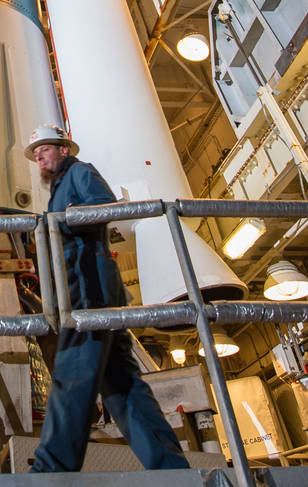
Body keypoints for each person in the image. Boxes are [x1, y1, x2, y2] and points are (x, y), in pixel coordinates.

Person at [26, 123, 190, 472]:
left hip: (90, 288)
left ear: (64, 149)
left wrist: (67, 220)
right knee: (121, 385)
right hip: (86, 287)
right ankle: (169, 467)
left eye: (45, 150)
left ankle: (50, 470)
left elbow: (104, 207)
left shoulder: (80, 173)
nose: (39, 157)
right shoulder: (58, 188)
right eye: (36, 154)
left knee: (74, 371)